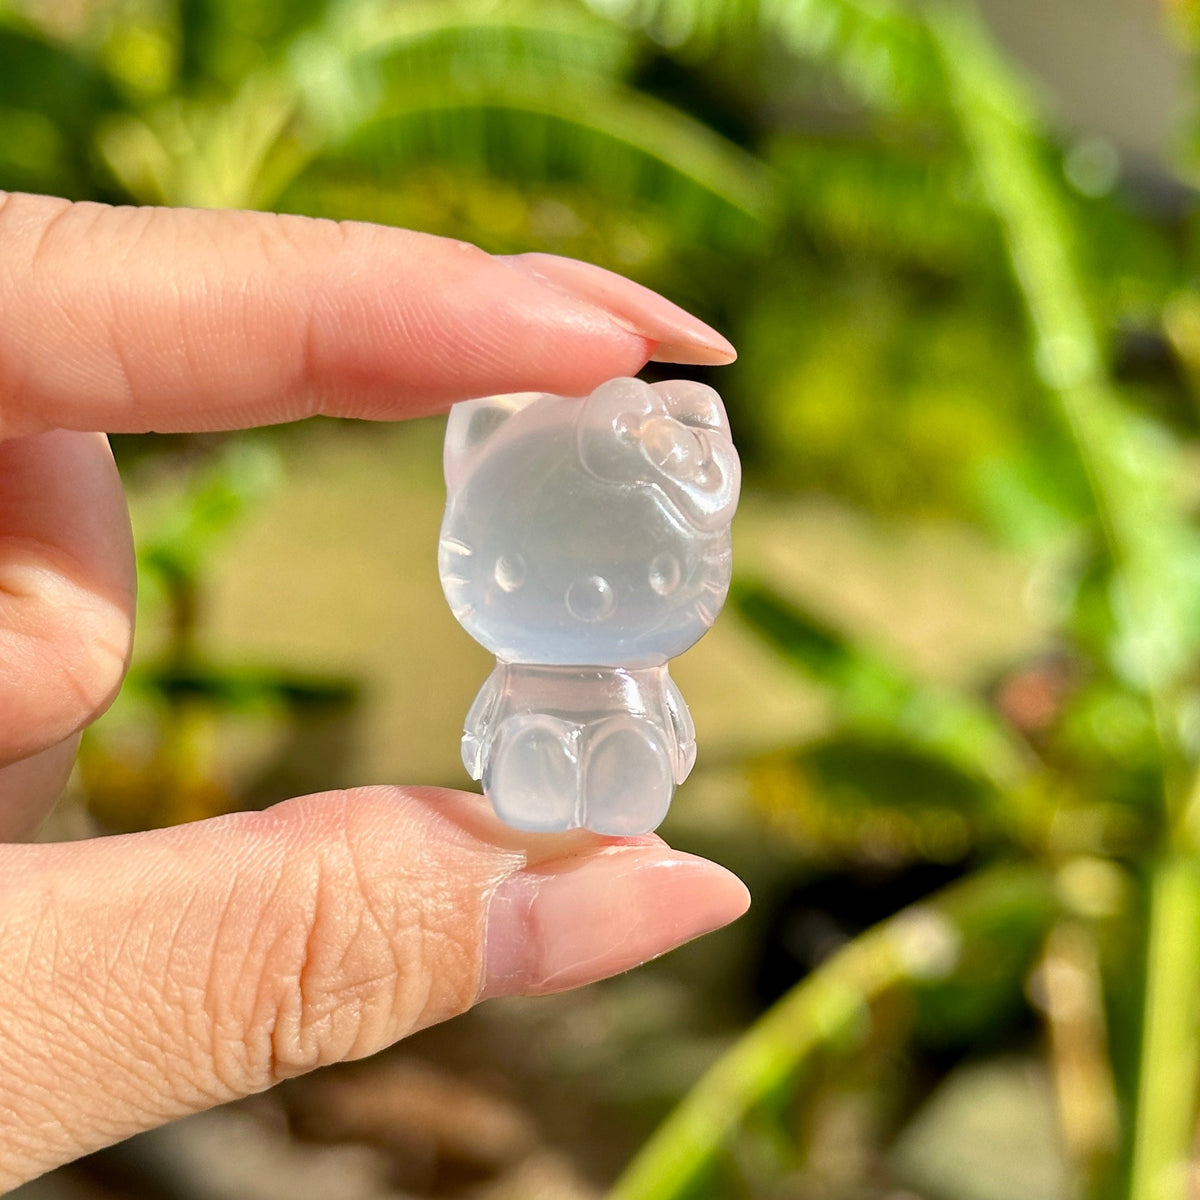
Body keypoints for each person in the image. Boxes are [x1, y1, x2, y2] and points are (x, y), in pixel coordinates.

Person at [0, 192, 750, 1190]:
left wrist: (657, 728)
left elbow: (653, 711)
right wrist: (494, 739)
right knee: (535, 759)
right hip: (533, 706)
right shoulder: (516, 532)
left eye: (648, 578)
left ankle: (612, 770)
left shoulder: (618, 633)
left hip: (617, 710)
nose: (587, 584)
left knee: (618, 756)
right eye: (526, 572)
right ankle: (569, 768)